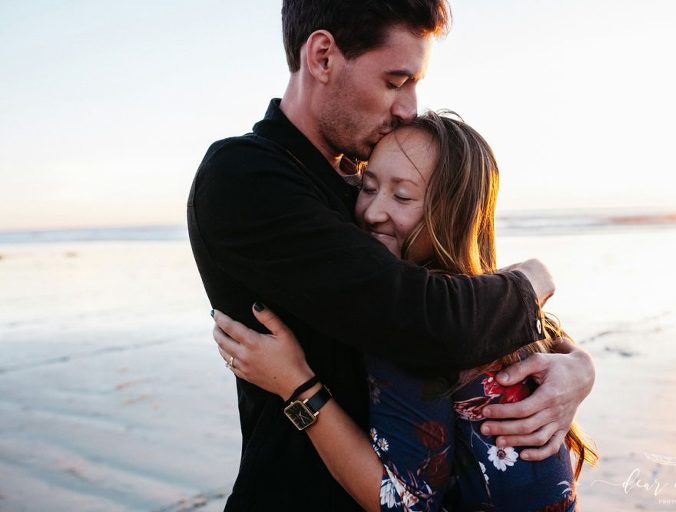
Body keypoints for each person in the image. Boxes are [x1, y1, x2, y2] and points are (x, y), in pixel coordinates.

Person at [187, 1, 595, 510]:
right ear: (322, 57)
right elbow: (428, 318)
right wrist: (533, 280)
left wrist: (574, 362)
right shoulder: (247, 178)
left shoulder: (361, 183)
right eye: (395, 81)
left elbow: (459, 286)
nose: (408, 107)